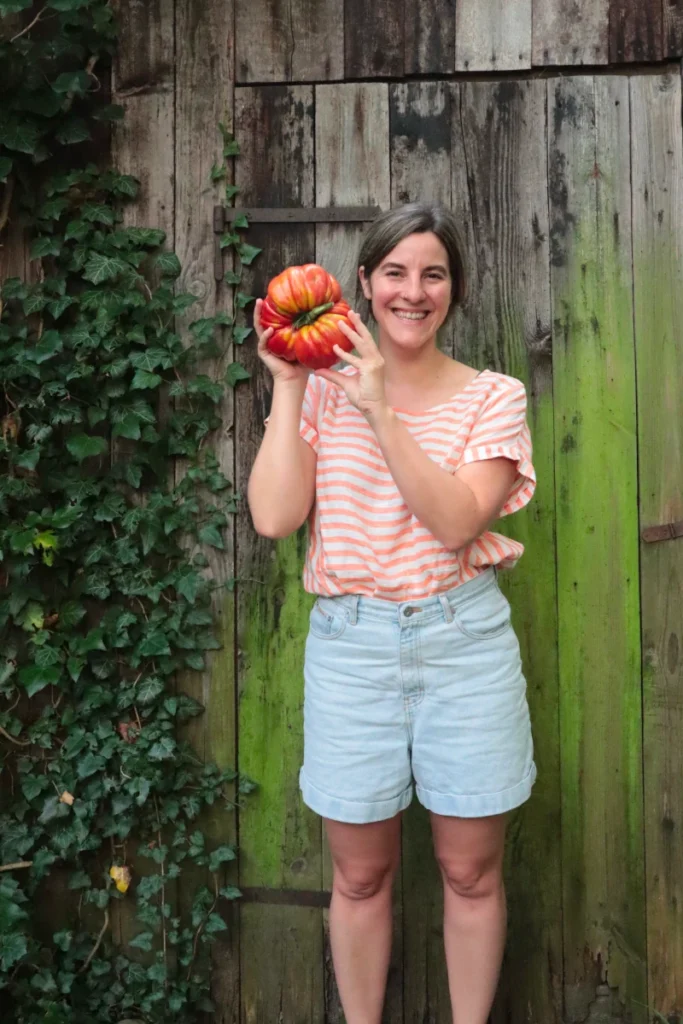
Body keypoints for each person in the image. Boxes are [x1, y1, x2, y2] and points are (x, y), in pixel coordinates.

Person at [247, 202, 537, 1024]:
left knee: (471, 873)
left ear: (455, 289)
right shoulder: (317, 394)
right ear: (363, 287)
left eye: (433, 274)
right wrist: (289, 382)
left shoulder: (494, 397)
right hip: (352, 648)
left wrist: (378, 406)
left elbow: (455, 521)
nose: (414, 292)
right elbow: (273, 517)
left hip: (462, 644)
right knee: (360, 876)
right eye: (396, 273)